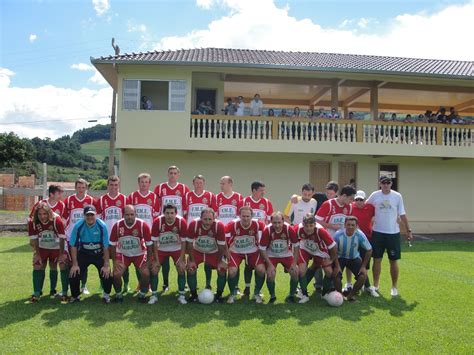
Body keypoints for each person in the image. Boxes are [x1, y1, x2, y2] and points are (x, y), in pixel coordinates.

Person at [367, 175, 413, 297]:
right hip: (377, 233)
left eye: (388, 183)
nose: (386, 185)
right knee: (377, 260)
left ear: (391, 184)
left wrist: (408, 230)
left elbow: (402, 214)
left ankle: (394, 287)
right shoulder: (375, 195)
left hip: (393, 233)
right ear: (380, 184)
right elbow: (366, 208)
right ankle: (376, 285)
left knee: (393, 260)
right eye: (383, 183)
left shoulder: (397, 196)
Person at [154, 166, 190, 292]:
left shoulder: (184, 188)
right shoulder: (159, 188)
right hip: (164, 226)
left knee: (180, 255)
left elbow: (185, 209)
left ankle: (183, 283)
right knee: (164, 259)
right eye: (171, 173)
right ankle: (165, 282)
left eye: (175, 173)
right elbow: (157, 207)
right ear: (167, 174)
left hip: (178, 226)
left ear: (178, 174)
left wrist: (183, 223)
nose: (173, 175)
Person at [68, 206, 112, 303]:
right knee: (74, 272)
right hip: (84, 253)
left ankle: (106, 295)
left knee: (107, 272)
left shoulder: (102, 226)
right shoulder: (78, 226)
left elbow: (105, 246)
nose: (90, 217)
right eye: (87, 215)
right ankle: (75, 296)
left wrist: (106, 264)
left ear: (96, 215)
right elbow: (73, 245)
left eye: (92, 215)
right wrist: (75, 264)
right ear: (84, 216)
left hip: (98, 253)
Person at [109, 205, 153, 303]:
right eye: (127, 214)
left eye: (132, 214)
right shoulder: (117, 225)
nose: (129, 217)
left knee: (145, 273)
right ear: (123, 215)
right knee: (116, 274)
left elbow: (150, 244)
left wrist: (149, 261)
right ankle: (118, 295)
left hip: (139, 254)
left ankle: (142, 294)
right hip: (123, 254)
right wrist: (115, 261)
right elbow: (112, 244)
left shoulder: (142, 225)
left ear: (135, 214)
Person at [225, 206, 266, 304]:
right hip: (236, 251)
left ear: (252, 216)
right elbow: (223, 236)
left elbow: (266, 233)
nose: (246, 218)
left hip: (253, 251)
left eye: (248, 216)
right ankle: (232, 293)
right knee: (232, 272)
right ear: (239, 216)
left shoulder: (258, 224)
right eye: (243, 216)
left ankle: (256, 293)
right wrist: (226, 252)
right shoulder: (233, 224)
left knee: (261, 270)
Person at [27, 203, 67, 303]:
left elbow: (62, 238)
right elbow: (34, 239)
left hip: (56, 247)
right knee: (38, 265)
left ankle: (59, 292)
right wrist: (37, 254)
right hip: (42, 247)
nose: (42, 216)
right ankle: (37, 293)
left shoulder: (56, 220)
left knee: (58, 265)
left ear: (48, 212)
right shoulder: (33, 221)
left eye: (44, 214)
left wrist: (62, 255)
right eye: (40, 214)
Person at [186, 208, 228, 303]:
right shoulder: (194, 224)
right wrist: (191, 260)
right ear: (201, 218)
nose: (208, 222)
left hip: (214, 252)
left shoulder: (219, 226)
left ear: (214, 218)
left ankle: (218, 295)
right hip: (198, 251)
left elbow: (222, 246)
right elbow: (189, 244)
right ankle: (193, 295)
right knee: (191, 268)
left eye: (210, 219)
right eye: (205, 219)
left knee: (222, 269)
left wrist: (220, 261)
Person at [295, 214, 340, 300]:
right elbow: (291, 239)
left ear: (315, 224)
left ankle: (324, 293)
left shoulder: (321, 231)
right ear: (302, 224)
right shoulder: (298, 228)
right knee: (302, 270)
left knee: (328, 271)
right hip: (305, 248)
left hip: (319, 250)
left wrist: (331, 260)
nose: (308, 228)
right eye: (306, 226)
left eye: (311, 225)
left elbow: (333, 247)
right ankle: (303, 293)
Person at [150, 204, 188, 304]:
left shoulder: (181, 222)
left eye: (172, 213)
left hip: (177, 248)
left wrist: (182, 258)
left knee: (181, 268)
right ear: (164, 213)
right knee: (154, 270)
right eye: (167, 213)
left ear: (176, 213)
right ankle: (153, 295)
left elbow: (184, 242)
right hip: (161, 249)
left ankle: (181, 295)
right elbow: (154, 242)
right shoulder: (157, 222)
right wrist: (157, 261)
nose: (170, 215)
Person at [259, 212, 301, 303]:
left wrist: (294, 263)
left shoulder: (289, 228)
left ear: (283, 221)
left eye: (279, 222)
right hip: (271, 255)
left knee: (295, 272)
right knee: (270, 274)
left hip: (286, 254)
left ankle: (291, 295)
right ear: (271, 222)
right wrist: (269, 265)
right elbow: (262, 249)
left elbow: (296, 246)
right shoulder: (267, 230)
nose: (277, 225)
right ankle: (272, 295)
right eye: (274, 223)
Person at [63, 178, 95, 295]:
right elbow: (64, 218)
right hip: (71, 236)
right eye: (79, 187)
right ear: (75, 188)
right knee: (68, 263)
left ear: (86, 188)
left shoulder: (91, 200)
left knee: (83, 263)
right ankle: (66, 288)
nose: (81, 190)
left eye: (83, 187)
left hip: (85, 237)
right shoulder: (69, 200)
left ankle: (83, 286)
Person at [333, 217, 373, 302]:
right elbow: (334, 251)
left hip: (354, 258)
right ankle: (340, 296)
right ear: (344, 225)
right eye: (348, 225)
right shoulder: (338, 235)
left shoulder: (360, 235)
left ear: (356, 226)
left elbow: (369, 250)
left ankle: (351, 295)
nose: (350, 227)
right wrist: (337, 266)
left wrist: (363, 266)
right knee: (336, 275)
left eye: (353, 225)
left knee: (363, 276)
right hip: (341, 258)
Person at [350, 190, 378, 297]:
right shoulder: (351, 207)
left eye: (361, 200)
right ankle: (350, 283)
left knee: (364, 264)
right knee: (352, 261)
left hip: (367, 238)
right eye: (357, 199)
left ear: (365, 200)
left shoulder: (370, 207)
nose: (359, 202)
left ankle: (365, 285)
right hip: (353, 239)